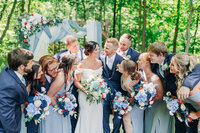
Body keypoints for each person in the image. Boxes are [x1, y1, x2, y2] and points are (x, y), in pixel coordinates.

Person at [54, 35, 85, 133]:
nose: (77, 48)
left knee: (78, 112)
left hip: (80, 86)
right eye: (74, 46)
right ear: (68, 47)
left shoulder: (85, 53)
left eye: (77, 45)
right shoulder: (60, 55)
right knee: (70, 113)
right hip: (64, 89)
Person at [40, 54, 78, 133]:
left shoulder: (67, 73)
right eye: (75, 63)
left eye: (56, 67)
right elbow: (49, 95)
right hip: (53, 109)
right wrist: (60, 109)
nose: (55, 70)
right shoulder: (61, 76)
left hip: (60, 105)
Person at [138, 53, 174, 133]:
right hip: (149, 108)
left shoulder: (155, 78)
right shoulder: (141, 76)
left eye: (140, 60)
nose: (137, 62)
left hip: (159, 107)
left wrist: (146, 100)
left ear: (147, 62)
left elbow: (160, 95)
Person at [0, 48, 34, 133]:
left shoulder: (10, 67)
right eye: (30, 62)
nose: (32, 64)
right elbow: (6, 116)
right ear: (22, 66)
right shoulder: (10, 86)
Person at [74, 41, 103, 133]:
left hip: (97, 95)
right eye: (96, 50)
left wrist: (100, 89)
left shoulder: (100, 63)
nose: (98, 51)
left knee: (97, 116)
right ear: (89, 50)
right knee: (86, 116)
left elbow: (100, 79)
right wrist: (86, 91)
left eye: (98, 49)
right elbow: (76, 81)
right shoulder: (81, 64)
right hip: (85, 95)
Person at [170, 53, 200, 133]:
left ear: (180, 68)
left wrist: (196, 114)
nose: (169, 66)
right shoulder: (183, 80)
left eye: (172, 65)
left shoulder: (191, 89)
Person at [100, 38, 125, 133]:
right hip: (104, 90)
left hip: (118, 91)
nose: (104, 49)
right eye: (105, 47)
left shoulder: (121, 60)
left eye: (107, 48)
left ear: (115, 49)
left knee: (118, 115)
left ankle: (116, 131)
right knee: (104, 113)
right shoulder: (101, 58)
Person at [118, 59, 141, 133]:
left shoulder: (128, 82)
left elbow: (134, 95)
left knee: (127, 120)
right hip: (128, 100)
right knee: (126, 121)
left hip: (134, 102)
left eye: (121, 66)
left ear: (126, 70)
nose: (118, 67)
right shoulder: (123, 76)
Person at [24, 62, 44, 133]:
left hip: (32, 114)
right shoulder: (25, 82)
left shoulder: (34, 82)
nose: (42, 73)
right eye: (39, 72)